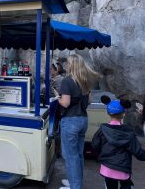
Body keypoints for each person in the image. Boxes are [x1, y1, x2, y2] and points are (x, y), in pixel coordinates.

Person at [53, 54, 100, 189]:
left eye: (68, 63)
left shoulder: (68, 81)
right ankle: (74, 182)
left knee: (70, 156)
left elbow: (65, 103)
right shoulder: (85, 81)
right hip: (83, 120)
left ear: (72, 65)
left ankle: (75, 186)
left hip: (70, 121)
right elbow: (89, 101)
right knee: (78, 155)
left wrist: (57, 97)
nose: (66, 65)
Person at [92, 100, 145, 189]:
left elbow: (95, 145)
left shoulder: (102, 129)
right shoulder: (128, 132)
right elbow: (138, 152)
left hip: (107, 168)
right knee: (128, 185)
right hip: (123, 169)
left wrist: (100, 157)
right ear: (123, 114)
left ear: (108, 113)